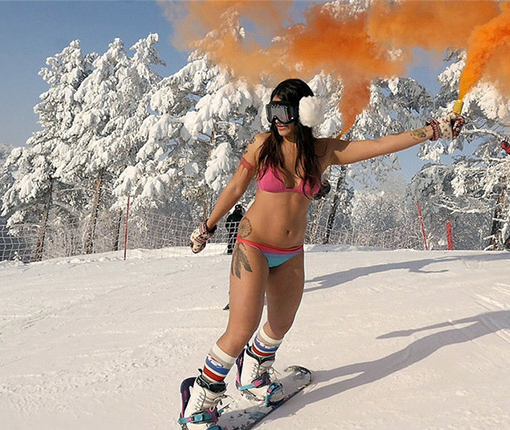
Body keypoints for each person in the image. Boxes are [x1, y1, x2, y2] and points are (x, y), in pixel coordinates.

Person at [179, 78, 464, 428]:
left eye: (285, 111)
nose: (277, 119)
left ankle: (253, 372)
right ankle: (199, 399)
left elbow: (378, 145)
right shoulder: (262, 145)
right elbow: (236, 186)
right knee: (242, 328)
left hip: (290, 252)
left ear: (304, 112)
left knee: (281, 323)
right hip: (253, 246)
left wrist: (432, 131)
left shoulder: (322, 151)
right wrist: (207, 226)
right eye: (272, 110)